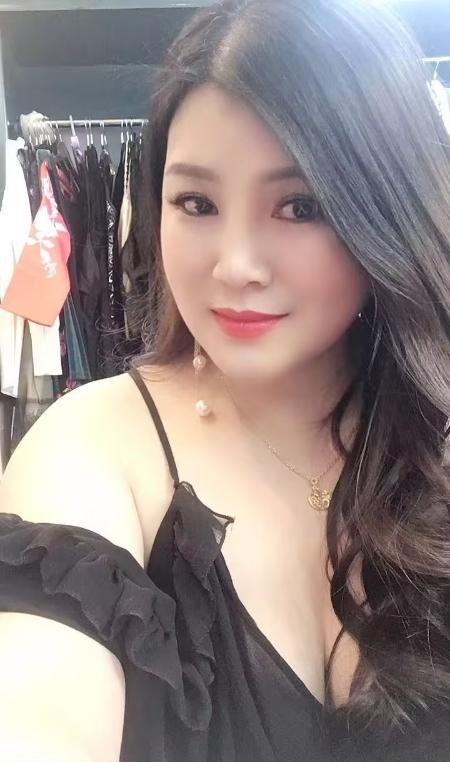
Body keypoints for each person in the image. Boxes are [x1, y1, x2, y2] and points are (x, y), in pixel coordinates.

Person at [1, 0, 449, 760]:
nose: (236, 265)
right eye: (197, 203)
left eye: (300, 206)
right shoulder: (95, 450)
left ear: (388, 212)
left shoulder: (433, 437)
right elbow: (38, 707)